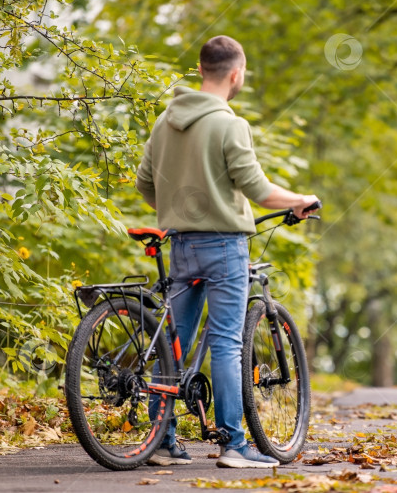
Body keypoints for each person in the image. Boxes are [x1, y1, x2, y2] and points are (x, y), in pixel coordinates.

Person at [135, 35, 320, 468]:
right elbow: (257, 189)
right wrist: (298, 199)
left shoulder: (165, 121)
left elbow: (146, 184)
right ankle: (233, 445)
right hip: (223, 246)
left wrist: (178, 207)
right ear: (236, 74)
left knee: (171, 341)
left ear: (201, 70)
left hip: (178, 242)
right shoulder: (229, 123)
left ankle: (162, 441)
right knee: (225, 342)